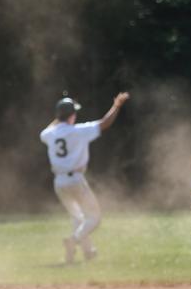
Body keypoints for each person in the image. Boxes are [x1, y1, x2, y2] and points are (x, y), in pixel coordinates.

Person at [40, 92, 130, 264]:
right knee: (94, 218)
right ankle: (73, 241)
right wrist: (116, 106)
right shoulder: (79, 131)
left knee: (78, 218)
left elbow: (45, 131)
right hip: (75, 180)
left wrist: (59, 117)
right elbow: (105, 123)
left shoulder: (50, 134)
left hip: (59, 182)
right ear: (72, 115)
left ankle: (88, 251)